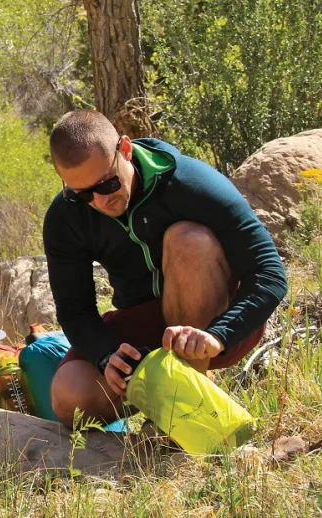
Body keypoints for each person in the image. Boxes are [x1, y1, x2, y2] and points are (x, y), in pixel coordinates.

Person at [43, 110, 287, 426]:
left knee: (188, 240)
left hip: (213, 324)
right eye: (81, 194)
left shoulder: (188, 182)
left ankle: (187, 408)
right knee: (70, 398)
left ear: (126, 150)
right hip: (143, 323)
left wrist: (219, 335)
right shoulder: (64, 218)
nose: (99, 202)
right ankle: (169, 398)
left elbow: (269, 271)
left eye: (106, 185)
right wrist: (106, 355)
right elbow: (74, 309)